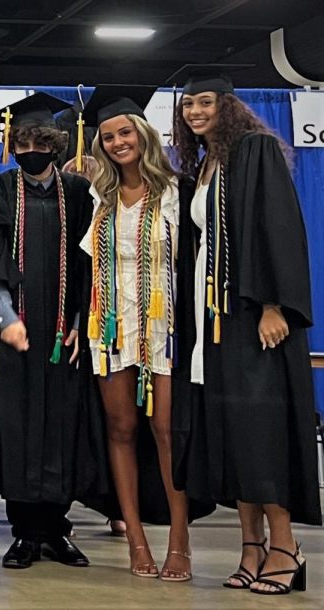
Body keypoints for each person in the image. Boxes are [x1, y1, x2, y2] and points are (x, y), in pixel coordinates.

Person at [171, 65, 319, 595]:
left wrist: (274, 304)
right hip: (213, 322)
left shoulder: (254, 150)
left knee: (261, 437)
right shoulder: (210, 164)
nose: (195, 112)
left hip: (251, 316)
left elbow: (277, 225)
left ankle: (286, 548)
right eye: (188, 106)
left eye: (205, 102)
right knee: (233, 435)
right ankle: (251, 547)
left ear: (227, 105)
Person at [0, 92, 102, 570]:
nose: (30, 149)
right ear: (11, 144)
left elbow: (91, 264)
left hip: (64, 333)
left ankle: (56, 530)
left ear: (54, 143)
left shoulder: (79, 193)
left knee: (62, 426)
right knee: (20, 426)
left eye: (38, 140)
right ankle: (25, 532)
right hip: (17, 331)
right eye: (21, 141)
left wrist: (81, 323)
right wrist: (6, 317)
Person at [78, 84, 202, 581]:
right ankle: (135, 539)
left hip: (165, 328)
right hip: (110, 327)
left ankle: (179, 540)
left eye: (124, 132)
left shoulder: (179, 192)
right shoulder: (99, 196)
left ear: (143, 134)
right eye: (107, 137)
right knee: (121, 429)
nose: (116, 142)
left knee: (167, 432)